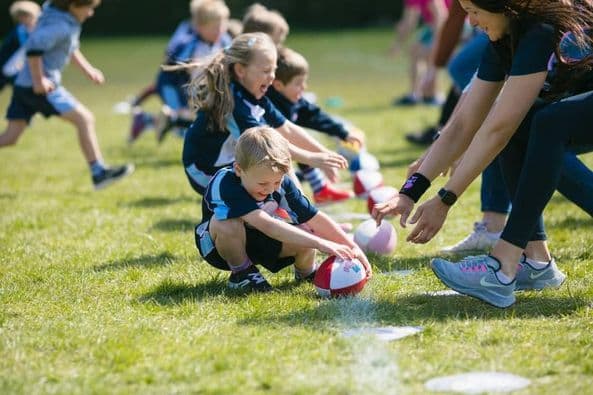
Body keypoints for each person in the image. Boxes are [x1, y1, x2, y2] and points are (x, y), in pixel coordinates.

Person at [373, 0, 593, 308]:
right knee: (530, 123)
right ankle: (537, 261)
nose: (471, 22)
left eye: (474, 11)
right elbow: (464, 122)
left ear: (503, 6)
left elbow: (496, 130)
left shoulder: (539, 31)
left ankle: (502, 268)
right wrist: (409, 193)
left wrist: (446, 199)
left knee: (546, 123)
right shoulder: (503, 37)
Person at [195, 126, 371, 292]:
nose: (271, 189)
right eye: (263, 183)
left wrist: (353, 247)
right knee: (227, 223)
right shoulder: (225, 183)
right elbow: (267, 225)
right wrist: (322, 243)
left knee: (307, 229)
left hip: (259, 239)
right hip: (218, 248)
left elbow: (314, 218)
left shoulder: (282, 183)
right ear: (239, 170)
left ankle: (306, 273)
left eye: (277, 182)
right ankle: (242, 273)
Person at [181, 32, 348, 196]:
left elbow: (287, 129)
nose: (272, 76)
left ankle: (302, 217)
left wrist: (325, 154)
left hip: (229, 162)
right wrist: (311, 158)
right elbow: (266, 146)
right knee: (272, 164)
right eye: (266, 70)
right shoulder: (235, 103)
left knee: (276, 166)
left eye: (274, 70)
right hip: (204, 170)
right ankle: (298, 219)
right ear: (240, 70)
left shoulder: (255, 95)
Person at [0, 0, 133, 190]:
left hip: (24, 85)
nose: (90, 14)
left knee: (10, 137)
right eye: (88, 8)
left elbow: (69, 46)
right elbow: (33, 47)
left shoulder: (56, 15)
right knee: (84, 119)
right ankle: (99, 173)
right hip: (41, 88)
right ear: (73, 6)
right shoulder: (60, 26)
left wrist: (88, 70)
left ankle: (99, 173)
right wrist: (39, 81)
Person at [266, 47, 364, 204]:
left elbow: (315, 115)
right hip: (257, 162)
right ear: (278, 85)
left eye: (304, 81)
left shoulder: (292, 101)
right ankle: (288, 204)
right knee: (290, 149)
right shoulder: (268, 103)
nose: (304, 87)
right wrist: (321, 157)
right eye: (298, 83)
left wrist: (343, 133)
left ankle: (319, 191)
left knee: (300, 141)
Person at [129, 0, 232, 143]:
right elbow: (171, 66)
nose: (220, 31)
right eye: (215, 27)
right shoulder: (190, 45)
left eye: (223, 25)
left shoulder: (224, 42)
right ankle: (148, 120)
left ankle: (146, 120)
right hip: (171, 85)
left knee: (196, 122)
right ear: (199, 27)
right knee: (183, 129)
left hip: (194, 89)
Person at [390, 0, 450, 106]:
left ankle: (434, 94)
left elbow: (441, 15)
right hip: (433, 25)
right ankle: (414, 94)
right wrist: (397, 44)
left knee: (427, 53)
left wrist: (437, 43)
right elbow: (409, 21)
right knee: (415, 51)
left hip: (453, 24)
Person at [0, 1, 41, 93]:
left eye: (26, 15)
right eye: (20, 16)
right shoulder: (19, 32)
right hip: (7, 68)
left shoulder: (36, 30)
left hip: (19, 70)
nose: (23, 18)